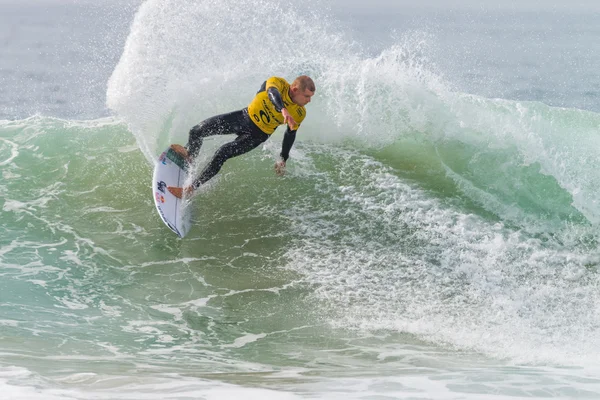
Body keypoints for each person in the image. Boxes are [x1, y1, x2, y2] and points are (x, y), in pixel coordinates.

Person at [167, 75, 315, 199]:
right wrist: (283, 110)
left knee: (222, 153)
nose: (309, 101)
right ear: (295, 89)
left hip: (257, 135)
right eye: (307, 96)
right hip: (243, 118)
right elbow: (272, 93)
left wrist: (283, 158)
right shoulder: (277, 83)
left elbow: (290, 135)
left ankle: (190, 189)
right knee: (196, 131)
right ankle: (190, 156)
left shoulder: (299, 113)